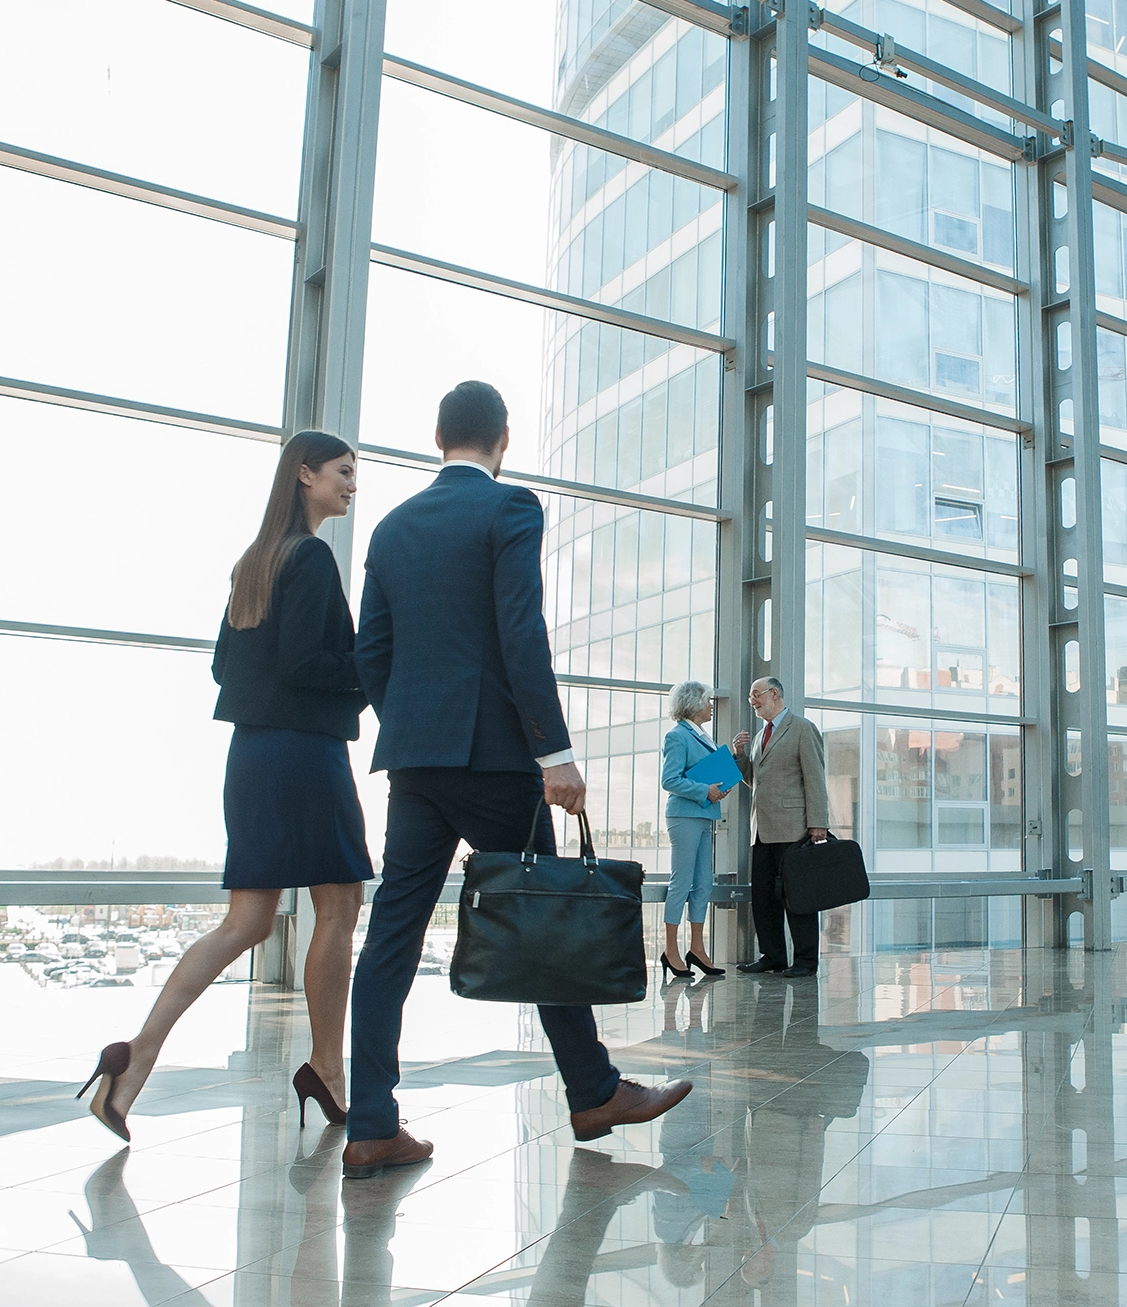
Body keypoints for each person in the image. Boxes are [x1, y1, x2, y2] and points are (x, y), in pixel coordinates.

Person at [341, 380, 690, 1178]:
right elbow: (520, 629)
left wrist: (418, 723)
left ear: (437, 436)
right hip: (499, 758)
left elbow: (372, 654)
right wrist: (552, 751)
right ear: (503, 437)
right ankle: (594, 1090)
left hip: (417, 761)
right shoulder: (510, 509)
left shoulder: (392, 528)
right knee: (543, 917)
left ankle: (370, 1121)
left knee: (391, 935)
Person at [79, 431, 372, 1142]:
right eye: (342, 471)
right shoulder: (311, 557)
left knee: (246, 921)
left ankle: (134, 1057)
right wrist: (374, 667)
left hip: (253, 757)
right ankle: (328, 1071)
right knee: (339, 906)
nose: (352, 484)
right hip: (304, 755)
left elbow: (222, 668)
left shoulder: (254, 563)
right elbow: (308, 662)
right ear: (304, 474)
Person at [729, 676, 830, 979]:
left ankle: (805, 961)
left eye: (755, 695)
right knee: (763, 897)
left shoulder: (802, 728)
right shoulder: (761, 736)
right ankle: (772, 956)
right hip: (762, 830)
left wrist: (818, 824)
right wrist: (739, 756)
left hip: (794, 829)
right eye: (750, 698)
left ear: (774, 693)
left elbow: (815, 779)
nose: (753, 702)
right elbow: (754, 781)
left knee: (798, 897)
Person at [659, 679, 730, 980]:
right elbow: (669, 780)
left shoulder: (702, 735)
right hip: (685, 816)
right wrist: (705, 790)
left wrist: (716, 784)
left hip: (704, 815)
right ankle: (671, 949)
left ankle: (697, 949)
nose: (712, 706)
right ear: (694, 703)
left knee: (703, 883)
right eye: (708, 701)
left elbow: (706, 773)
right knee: (682, 881)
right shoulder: (677, 736)